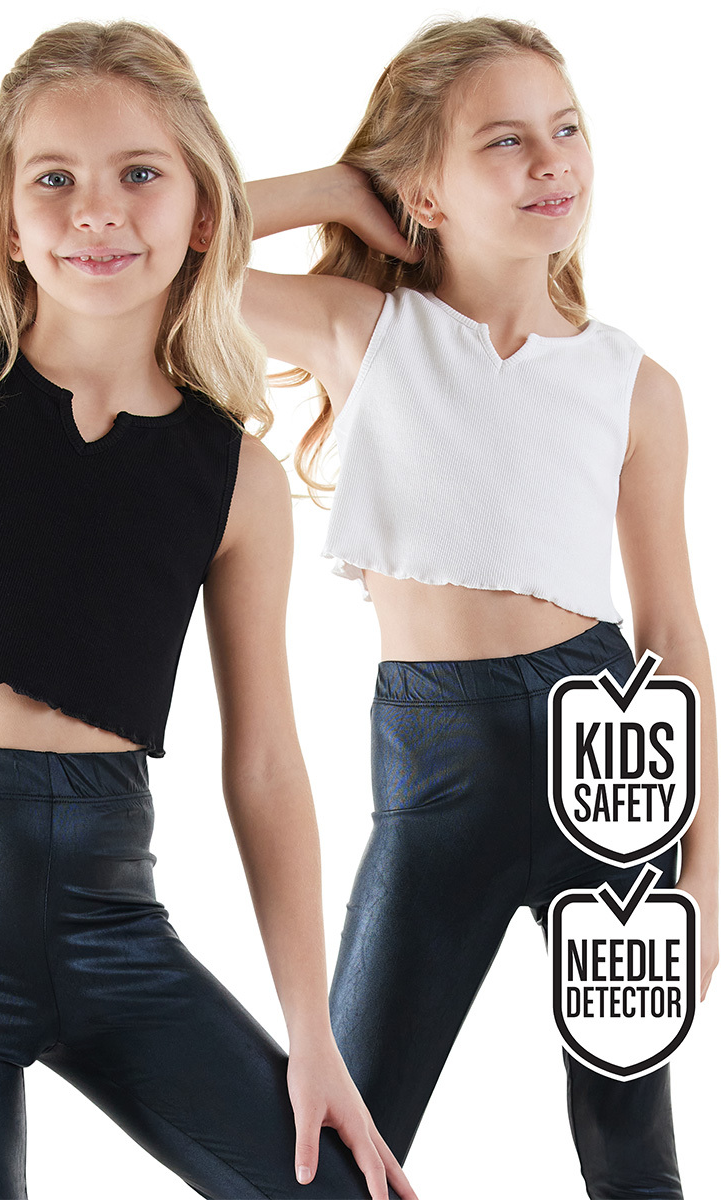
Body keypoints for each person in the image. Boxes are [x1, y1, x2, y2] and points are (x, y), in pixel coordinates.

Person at [0, 20, 415, 1200]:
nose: (97, 212)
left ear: (203, 215)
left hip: (114, 913)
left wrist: (314, 1038)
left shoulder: (236, 478)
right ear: (8, 220)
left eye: (140, 174)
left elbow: (266, 763)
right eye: (55, 180)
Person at [242, 16, 718, 1199]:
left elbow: (672, 633)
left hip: (612, 756)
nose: (552, 161)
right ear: (423, 191)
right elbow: (162, 250)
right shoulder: (364, 332)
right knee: (340, 1145)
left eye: (567, 130)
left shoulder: (637, 386)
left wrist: (707, 878)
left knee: (630, 1146)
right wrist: (336, 191)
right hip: (436, 758)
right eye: (505, 141)